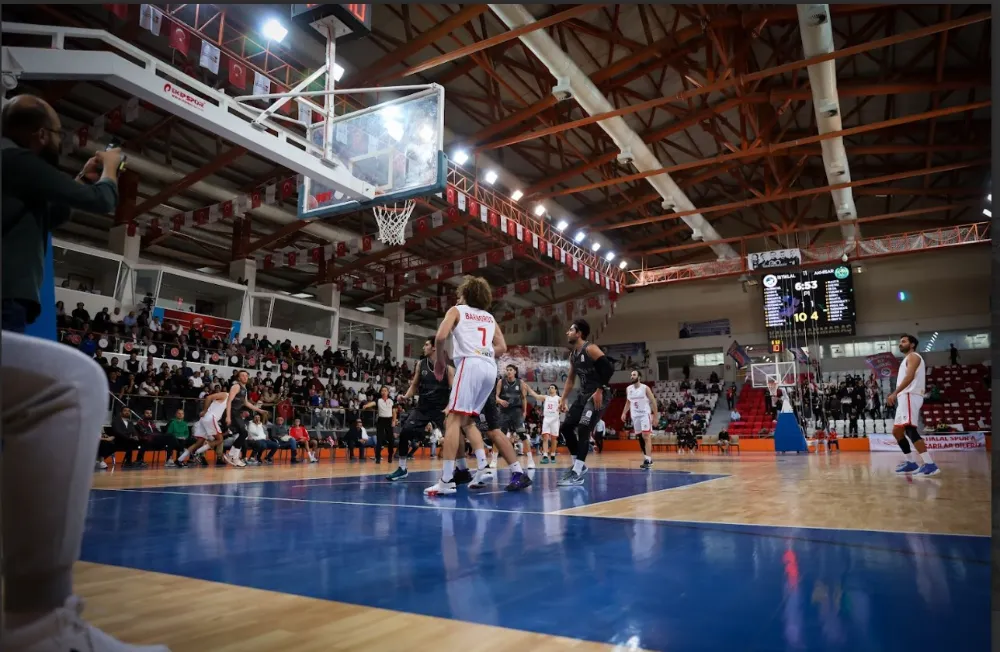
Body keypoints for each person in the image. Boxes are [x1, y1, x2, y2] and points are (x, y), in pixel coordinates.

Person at [1, 94, 122, 332]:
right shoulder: (18, 161)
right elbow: (102, 201)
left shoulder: (12, 167)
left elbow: (53, 215)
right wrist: (111, 168)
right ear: (42, 134)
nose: (59, 141)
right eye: (59, 134)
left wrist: (82, 180)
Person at [424, 276, 505, 496]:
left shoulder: (457, 310)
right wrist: (483, 353)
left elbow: (440, 337)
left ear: (466, 294)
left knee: (452, 419)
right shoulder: (489, 317)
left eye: (460, 294)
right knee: (468, 420)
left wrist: (440, 362)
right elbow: (502, 347)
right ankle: (483, 466)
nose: (458, 297)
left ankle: (447, 480)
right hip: (489, 368)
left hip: (470, 364)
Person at [557, 319, 615, 487]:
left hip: (598, 394)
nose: (567, 332)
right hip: (583, 395)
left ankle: (576, 471)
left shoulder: (591, 349)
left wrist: (600, 390)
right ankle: (578, 466)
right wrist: (563, 398)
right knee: (566, 428)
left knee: (583, 428)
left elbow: (609, 369)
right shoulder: (573, 355)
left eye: (571, 330)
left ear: (579, 333)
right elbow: (570, 379)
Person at [386, 338, 452, 481]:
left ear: (434, 348)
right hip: (422, 408)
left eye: (426, 344)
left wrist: (448, 407)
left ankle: (459, 469)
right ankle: (402, 468)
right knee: (404, 433)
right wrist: (406, 396)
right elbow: (415, 385)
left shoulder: (448, 367)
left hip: (441, 409)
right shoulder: (420, 364)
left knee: (453, 438)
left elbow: (454, 390)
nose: (424, 347)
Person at [888, 334, 939, 476]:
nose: (900, 344)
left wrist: (894, 393)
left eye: (903, 341)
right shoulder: (906, 359)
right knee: (897, 431)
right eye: (899, 342)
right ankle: (910, 462)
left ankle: (930, 464)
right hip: (904, 397)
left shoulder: (914, 356)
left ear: (912, 345)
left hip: (910, 395)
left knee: (910, 429)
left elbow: (909, 377)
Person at [494, 364, 545, 469]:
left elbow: (523, 398)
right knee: (498, 436)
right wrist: (499, 400)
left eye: (510, 370)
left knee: (522, 435)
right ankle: (494, 460)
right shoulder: (501, 382)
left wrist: (525, 411)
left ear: (515, 372)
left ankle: (530, 460)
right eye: (507, 370)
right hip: (503, 412)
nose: (508, 371)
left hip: (516, 411)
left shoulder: (520, 383)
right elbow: (495, 396)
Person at [223, 370, 267, 468]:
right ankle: (232, 456)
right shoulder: (236, 386)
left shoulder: (245, 389)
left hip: (237, 414)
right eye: (242, 375)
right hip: (232, 413)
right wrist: (228, 416)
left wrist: (259, 410)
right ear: (238, 378)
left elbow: (246, 403)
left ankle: (233, 456)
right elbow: (229, 401)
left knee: (243, 434)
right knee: (244, 433)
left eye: (246, 375)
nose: (245, 377)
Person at [177, 390, 228, 467]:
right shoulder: (225, 395)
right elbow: (208, 397)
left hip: (205, 419)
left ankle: (179, 460)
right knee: (220, 440)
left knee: (199, 443)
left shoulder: (230, 400)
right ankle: (197, 453)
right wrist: (204, 410)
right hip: (210, 418)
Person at [622, 370, 659, 470]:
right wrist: (624, 412)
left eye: (634, 375)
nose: (632, 376)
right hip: (635, 416)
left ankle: (648, 459)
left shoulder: (645, 388)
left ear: (639, 377)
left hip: (644, 414)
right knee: (640, 438)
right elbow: (628, 402)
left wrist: (655, 416)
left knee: (646, 435)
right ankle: (647, 458)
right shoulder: (628, 389)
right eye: (631, 375)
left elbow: (653, 401)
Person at [363, 386, 396, 464]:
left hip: (389, 420)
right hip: (381, 421)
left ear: (388, 392)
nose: (384, 392)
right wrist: (366, 405)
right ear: (381, 392)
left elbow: (394, 411)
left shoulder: (391, 401)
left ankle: (390, 456)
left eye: (385, 391)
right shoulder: (379, 400)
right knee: (379, 441)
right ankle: (377, 458)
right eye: (382, 391)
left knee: (391, 440)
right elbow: (372, 403)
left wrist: (394, 420)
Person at [539, 384, 563, 464]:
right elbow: (536, 395)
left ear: (556, 390)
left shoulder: (559, 398)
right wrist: (528, 389)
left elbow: (565, 406)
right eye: (549, 387)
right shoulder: (546, 397)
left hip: (555, 419)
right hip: (546, 418)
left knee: (554, 439)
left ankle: (552, 455)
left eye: (552, 387)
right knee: (545, 437)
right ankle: (545, 456)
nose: (550, 388)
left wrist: (564, 408)